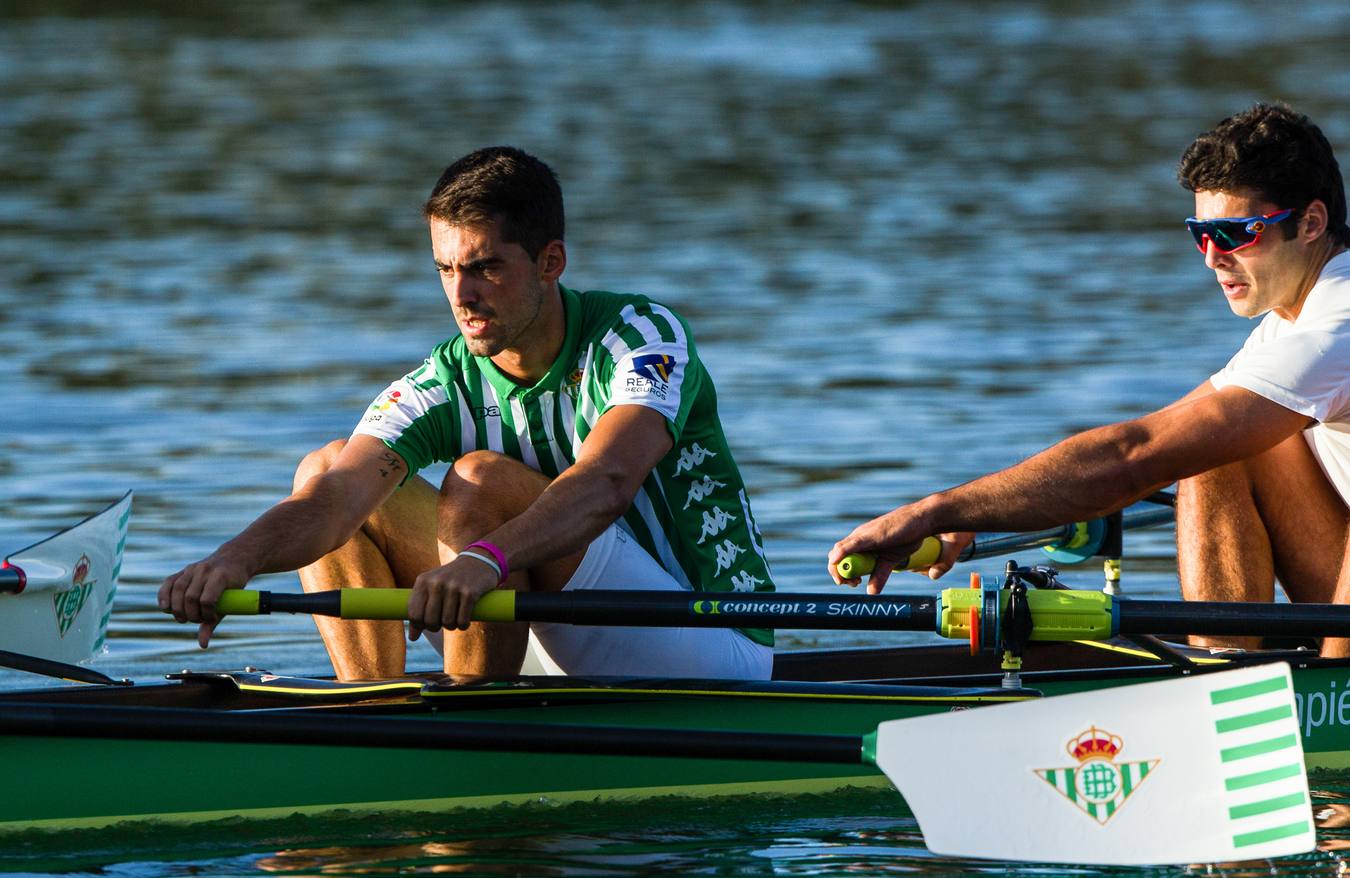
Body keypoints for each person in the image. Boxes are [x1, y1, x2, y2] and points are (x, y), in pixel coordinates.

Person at [160, 146, 775, 680]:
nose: (461, 295)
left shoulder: (640, 337)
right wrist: (233, 559)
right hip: (539, 625)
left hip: (707, 640)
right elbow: (334, 500)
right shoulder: (444, 380)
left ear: (550, 262)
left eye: (484, 268)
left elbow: (607, 484)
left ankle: (474, 712)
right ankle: (371, 709)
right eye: (447, 270)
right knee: (326, 470)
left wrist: (487, 559)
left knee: (481, 478)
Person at [829, 102, 1350, 656]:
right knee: (1211, 445)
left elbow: (1134, 457)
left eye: (1235, 233)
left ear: (1311, 222)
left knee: (1195, 446)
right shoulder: (1296, 321)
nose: (1211, 258)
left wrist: (934, 511)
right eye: (1200, 234)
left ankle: (1278, 703)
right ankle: (1232, 680)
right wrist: (982, 515)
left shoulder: (1335, 330)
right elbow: (1161, 433)